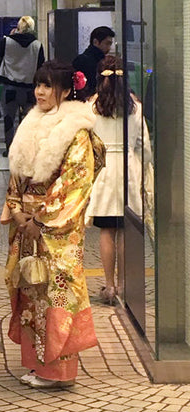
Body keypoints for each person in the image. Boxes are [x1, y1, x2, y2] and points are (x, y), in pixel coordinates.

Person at [4, 60, 105, 389]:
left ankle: (59, 371)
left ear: (64, 90)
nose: (39, 92)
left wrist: (40, 218)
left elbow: (75, 183)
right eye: (37, 84)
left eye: (47, 86)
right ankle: (38, 365)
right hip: (28, 223)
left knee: (57, 293)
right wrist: (18, 211)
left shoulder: (75, 130)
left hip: (55, 227)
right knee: (32, 290)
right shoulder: (32, 121)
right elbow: (17, 174)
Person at [85, 54, 151, 304]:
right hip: (128, 169)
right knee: (124, 229)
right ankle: (123, 284)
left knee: (106, 230)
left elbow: (84, 143)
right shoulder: (135, 107)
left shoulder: (91, 107)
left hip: (102, 171)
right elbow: (143, 145)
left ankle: (109, 285)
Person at [0, 15, 45, 150]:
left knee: (9, 120)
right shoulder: (38, 45)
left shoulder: (6, 42)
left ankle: (10, 149)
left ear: (18, 27)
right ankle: (25, 149)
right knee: (28, 123)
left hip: (10, 88)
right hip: (30, 90)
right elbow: (41, 67)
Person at [71, 25, 115, 101]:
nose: (109, 48)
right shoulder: (87, 61)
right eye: (107, 43)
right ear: (96, 42)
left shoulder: (81, 59)